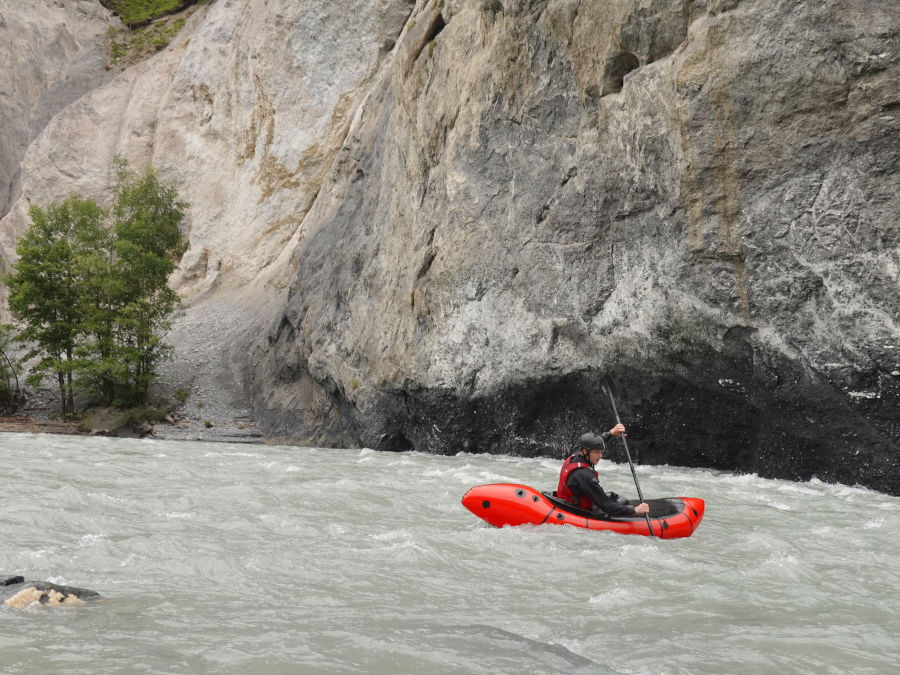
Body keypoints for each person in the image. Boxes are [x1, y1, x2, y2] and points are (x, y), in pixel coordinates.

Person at [556, 424, 650, 516]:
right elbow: (606, 505)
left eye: (601, 452)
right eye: (597, 452)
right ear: (585, 451)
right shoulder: (584, 475)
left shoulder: (576, 456)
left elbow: (596, 443)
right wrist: (634, 510)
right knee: (622, 502)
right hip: (576, 510)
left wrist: (611, 433)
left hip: (567, 503)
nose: (600, 456)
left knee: (614, 497)